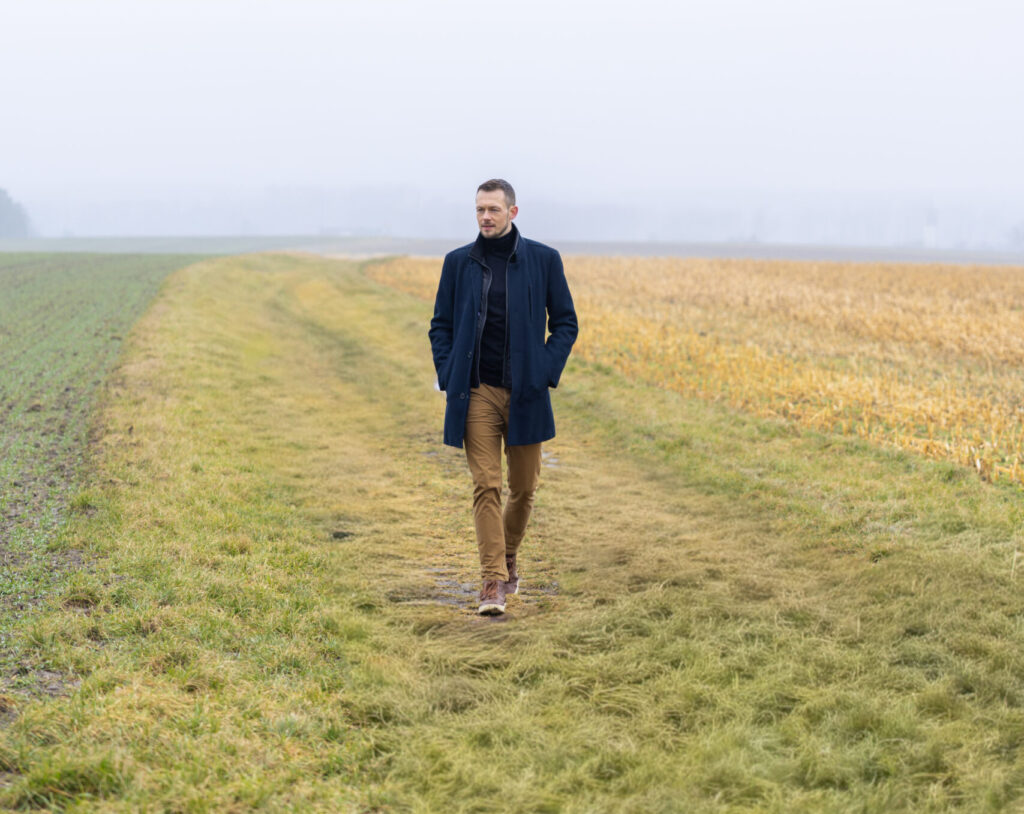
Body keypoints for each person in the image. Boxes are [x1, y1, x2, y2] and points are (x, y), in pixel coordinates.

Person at [429, 179, 578, 615]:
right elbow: (440, 325)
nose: (485, 217)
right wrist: (448, 372)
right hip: (476, 393)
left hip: (527, 393)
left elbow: (566, 322)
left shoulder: (544, 260)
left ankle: (508, 554)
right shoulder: (459, 263)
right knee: (486, 485)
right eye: (479, 210)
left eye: (493, 209)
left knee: (525, 488)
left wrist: (544, 370)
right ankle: (492, 581)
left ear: (513, 212)